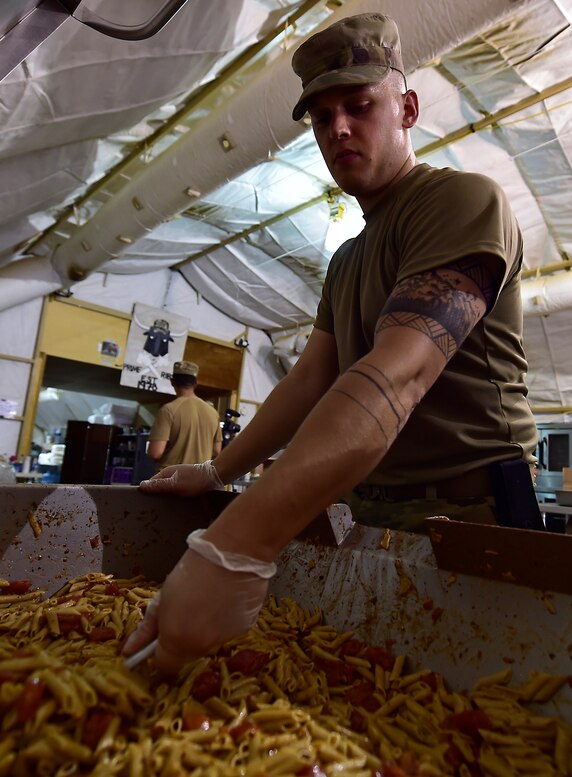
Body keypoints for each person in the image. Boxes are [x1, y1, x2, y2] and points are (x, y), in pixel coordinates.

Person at [124, 12, 537, 673]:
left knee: (469, 708)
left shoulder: (461, 202)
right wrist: (216, 471)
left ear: (405, 108)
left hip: (471, 521)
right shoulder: (347, 260)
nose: (337, 127)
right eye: (320, 116)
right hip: (373, 514)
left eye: (358, 105)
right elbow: (309, 382)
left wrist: (237, 543)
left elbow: (396, 376)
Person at [147, 361, 222, 468]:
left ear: (172, 382)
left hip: (171, 479)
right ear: (195, 383)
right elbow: (216, 450)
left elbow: (155, 452)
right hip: (200, 479)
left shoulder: (168, 410)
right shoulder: (213, 412)